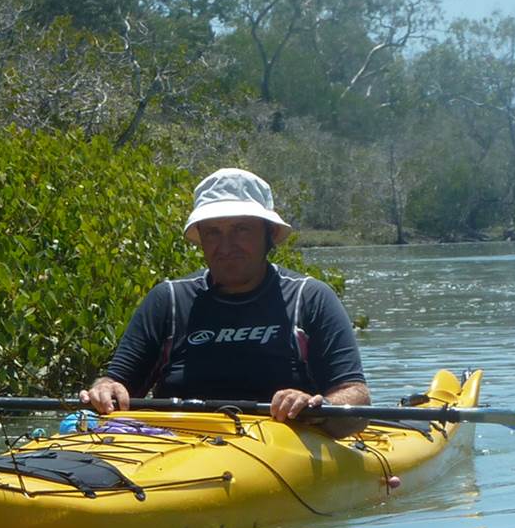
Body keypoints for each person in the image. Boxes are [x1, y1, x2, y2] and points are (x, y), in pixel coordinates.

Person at [80, 168, 372, 424]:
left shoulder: (310, 297)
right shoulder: (167, 300)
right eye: (213, 233)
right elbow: (117, 381)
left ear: (268, 234)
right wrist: (106, 388)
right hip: (175, 453)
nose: (226, 245)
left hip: (283, 450)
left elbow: (356, 397)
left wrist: (318, 407)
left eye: (241, 229)